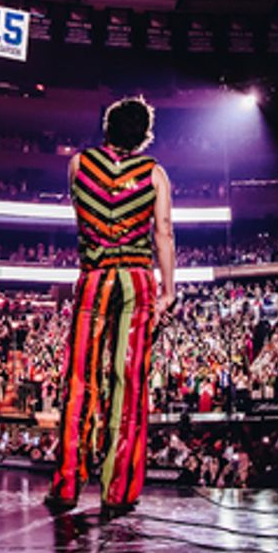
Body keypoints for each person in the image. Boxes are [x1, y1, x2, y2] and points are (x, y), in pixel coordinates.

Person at [46, 97, 175, 518]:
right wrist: (168, 290)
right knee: (129, 381)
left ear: (107, 127)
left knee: (80, 378)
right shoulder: (154, 174)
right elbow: (163, 233)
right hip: (136, 280)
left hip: (93, 277)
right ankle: (118, 490)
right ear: (144, 135)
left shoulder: (79, 165)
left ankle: (67, 483)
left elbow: (81, 217)